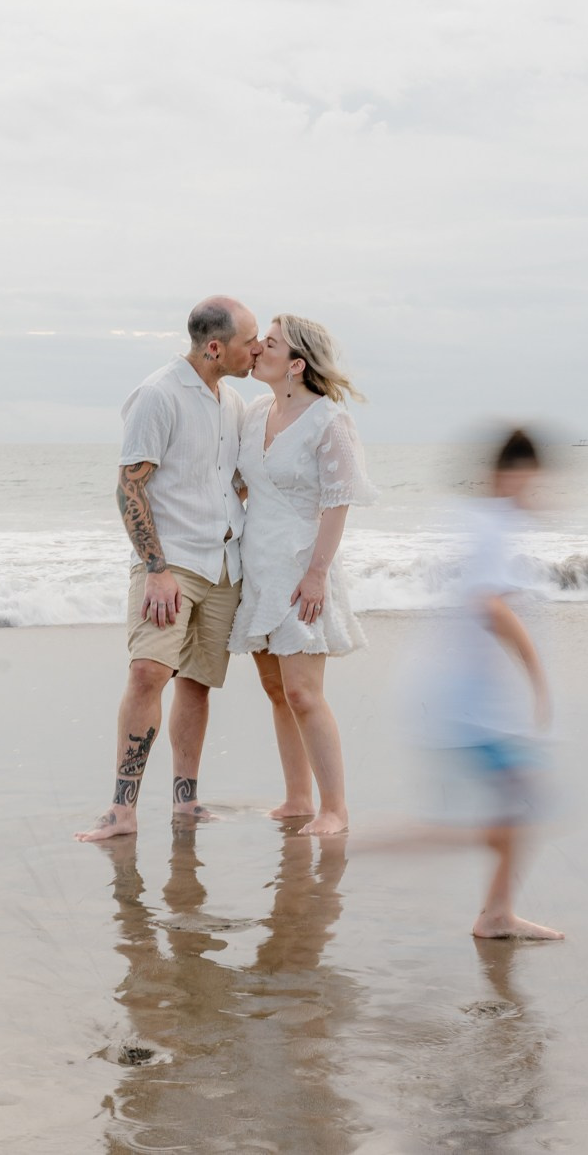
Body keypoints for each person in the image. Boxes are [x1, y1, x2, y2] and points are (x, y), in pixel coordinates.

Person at [75, 298, 261, 842]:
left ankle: (187, 801)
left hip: (225, 563)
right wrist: (155, 570)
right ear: (214, 347)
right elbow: (129, 485)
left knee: (198, 684)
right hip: (172, 563)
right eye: (249, 340)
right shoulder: (158, 394)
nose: (256, 350)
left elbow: (226, 479)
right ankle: (122, 809)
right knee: (148, 672)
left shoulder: (232, 401)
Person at [401, 428, 563, 940]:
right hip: (465, 709)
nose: (534, 494)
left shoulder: (478, 520)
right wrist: (537, 674)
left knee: (518, 804)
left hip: (456, 704)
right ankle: (371, 849)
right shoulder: (492, 528)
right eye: (531, 483)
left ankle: (496, 912)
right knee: (516, 806)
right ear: (509, 475)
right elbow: (489, 605)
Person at [230, 315, 377, 836]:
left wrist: (317, 574)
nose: (256, 349)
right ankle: (297, 797)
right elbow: (244, 485)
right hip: (258, 565)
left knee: (304, 693)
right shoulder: (253, 412)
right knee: (275, 689)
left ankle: (334, 808)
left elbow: (338, 503)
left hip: (301, 566)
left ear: (296, 364)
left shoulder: (328, 421)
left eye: (268, 344)